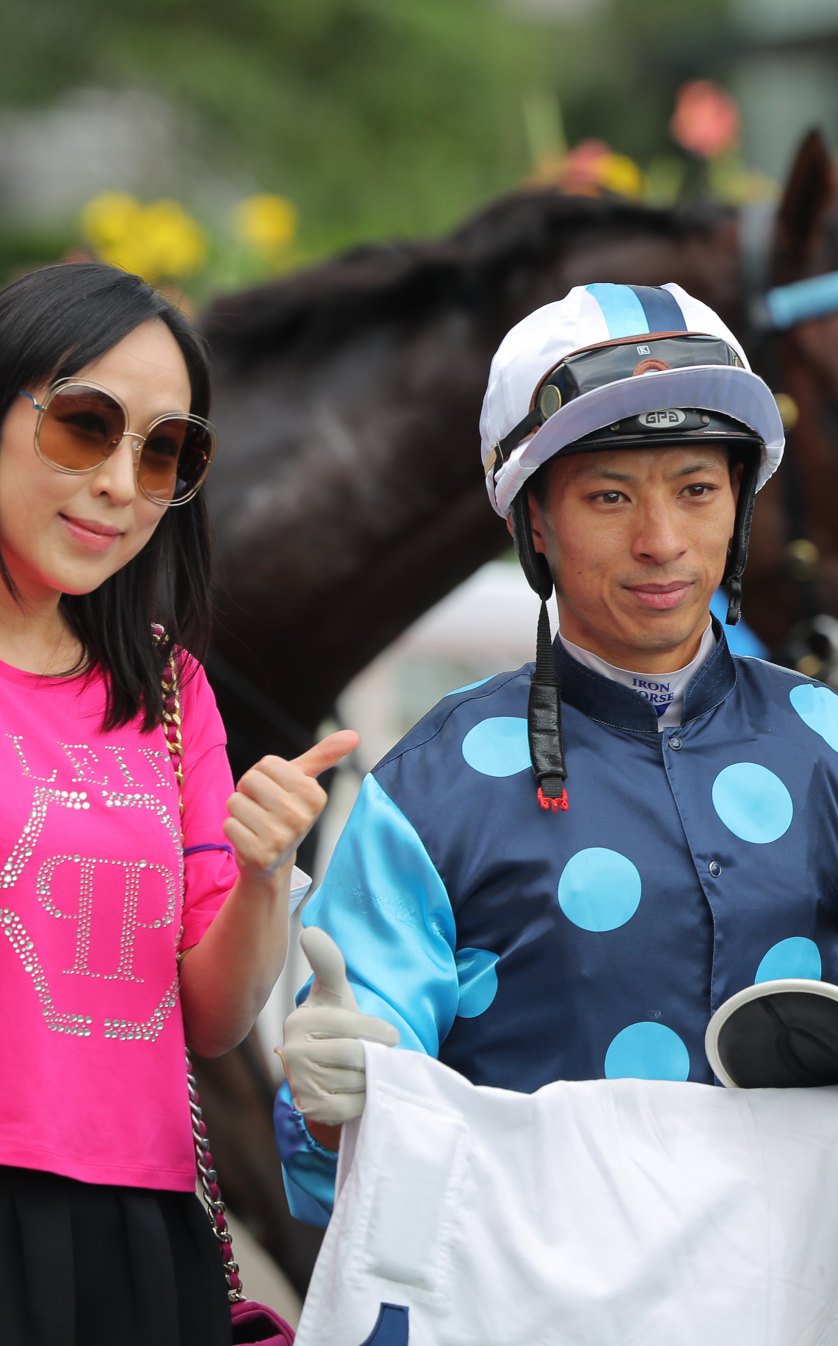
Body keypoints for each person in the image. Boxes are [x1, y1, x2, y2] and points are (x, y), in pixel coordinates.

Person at [273, 282, 838, 1222]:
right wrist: (333, 1112)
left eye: (697, 490)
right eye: (609, 496)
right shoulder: (430, 790)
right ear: (533, 522)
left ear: (739, 505)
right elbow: (333, 1156)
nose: (661, 542)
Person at [0, 261, 354, 1345]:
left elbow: (211, 1012)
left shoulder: (166, 689)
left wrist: (261, 873)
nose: (121, 482)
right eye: (83, 426)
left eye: (165, 451)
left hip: (140, 1224)